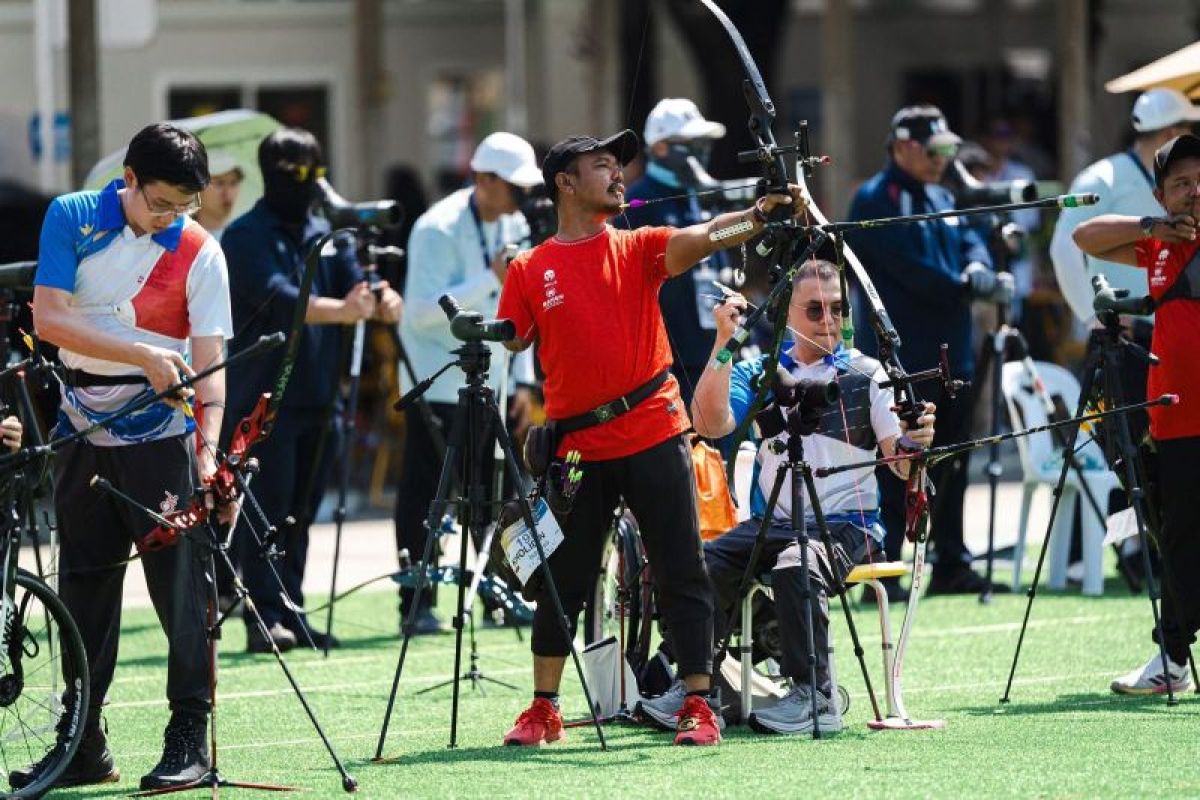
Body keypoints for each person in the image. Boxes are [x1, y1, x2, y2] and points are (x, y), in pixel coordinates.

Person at [496, 128, 809, 747]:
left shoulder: (639, 246)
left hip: (653, 431)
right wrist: (488, 325)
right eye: (603, 166)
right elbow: (512, 337)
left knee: (680, 567)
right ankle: (542, 708)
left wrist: (756, 214)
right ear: (565, 182)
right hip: (579, 449)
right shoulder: (531, 267)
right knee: (565, 576)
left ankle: (697, 703)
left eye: (619, 166)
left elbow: (704, 237)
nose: (618, 176)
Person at [20, 123, 232, 791]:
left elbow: (211, 368)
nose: (173, 217)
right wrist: (142, 352)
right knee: (84, 587)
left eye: (185, 205)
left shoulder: (200, 250)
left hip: (163, 437)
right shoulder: (73, 216)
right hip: (82, 425)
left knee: (180, 592)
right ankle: (83, 739)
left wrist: (209, 451)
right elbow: (48, 320)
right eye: (162, 202)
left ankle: (188, 738)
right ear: (129, 181)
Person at [637, 260, 935, 734]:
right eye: (814, 311)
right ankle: (700, 688)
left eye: (838, 309)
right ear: (787, 317)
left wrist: (916, 440)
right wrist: (723, 342)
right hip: (774, 522)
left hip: (847, 526)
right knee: (704, 563)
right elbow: (708, 424)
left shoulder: (867, 373)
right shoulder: (762, 371)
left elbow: (899, 465)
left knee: (798, 561)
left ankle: (815, 697)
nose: (829, 322)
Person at [221, 127, 401, 653]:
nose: (304, 185)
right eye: (294, 174)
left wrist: (380, 295)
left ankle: (291, 607)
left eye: (312, 172)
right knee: (268, 510)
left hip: (322, 394)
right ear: (272, 175)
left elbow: (355, 282)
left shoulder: (327, 232)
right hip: (265, 399)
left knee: (303, 511)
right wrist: (345, 311)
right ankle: (262, 617)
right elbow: (281, 299)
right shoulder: (246, 236)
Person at [846, 105, 1012, 598]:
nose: (942, 159)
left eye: (946, 150)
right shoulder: (875, 198)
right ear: (902, 147)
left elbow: (971, 238)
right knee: (899, 460)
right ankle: (889, 561)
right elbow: (905, 265)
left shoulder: (943, 193)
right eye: (933, 149)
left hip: (953, 352)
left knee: (955, 458)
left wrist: (982, 266)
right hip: (902, 355)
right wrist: (965, 284)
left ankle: (952, 561)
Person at [396, 131, 540, 633]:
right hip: (436, 381)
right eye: (514, 186)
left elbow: (522, 309)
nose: (522, 199)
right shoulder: (436, 228)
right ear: (483, 179)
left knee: (494, 493)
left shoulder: (513, 220)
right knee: (427, 494)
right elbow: (418, 315)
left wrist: (523, 380)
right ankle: (416, 603)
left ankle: (496, 596)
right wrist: (489, 275)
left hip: (494, 379)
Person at [1071, 133, 1200, 696]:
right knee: (1177, 538)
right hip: (1173, 416)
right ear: (1161, 193)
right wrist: (1153, 228)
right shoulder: (1157, 245)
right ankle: (1172, 661)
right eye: (1182, 184)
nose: (1195, 192)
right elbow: (1085, 235)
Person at [1050, 88, 1199, 328]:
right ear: (1172, 134)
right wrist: (1092, 318)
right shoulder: (1101, 178)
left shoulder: (1186, 182)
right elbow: (1064, 247)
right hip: (1124, 335)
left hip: (1174, 329)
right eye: (1189, 130)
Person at [615, 98, 730, 406]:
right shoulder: (636, 204)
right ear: (662, 148)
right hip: (666, 367)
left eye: (703, 142)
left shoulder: (701, 197)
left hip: (712, 353)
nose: (701, 150)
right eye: (691, 143)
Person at [193, 152, 244, 239]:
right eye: (220, 183)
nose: (228, 192)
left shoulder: (246, 236)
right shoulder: (177, 236)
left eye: (233, 183)